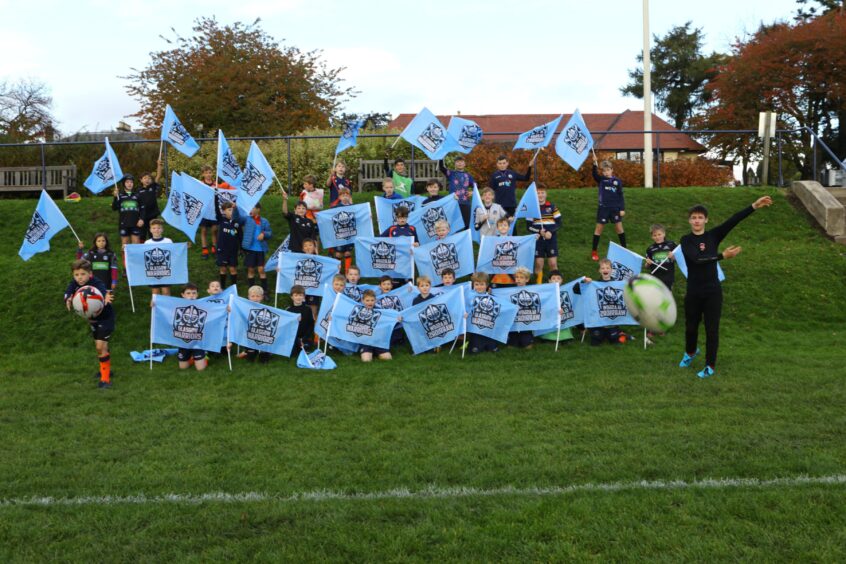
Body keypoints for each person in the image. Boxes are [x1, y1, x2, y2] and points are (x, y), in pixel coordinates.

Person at [675, 196, 773, 378]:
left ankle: (709, 366)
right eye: (693, 217)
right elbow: (697, 260)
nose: (697, 220)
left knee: (712, 329)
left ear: (706, 220)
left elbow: (733, 220)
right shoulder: (685, 240)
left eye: (700, 217)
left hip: (712, 291)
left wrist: (754, 206)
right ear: (689, 220)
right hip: (694, 291)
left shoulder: (713, 236)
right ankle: (690, 352)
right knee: (691, 327)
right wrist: (722, 257)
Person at [64, 259, 115, 389]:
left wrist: (106, 296)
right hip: (93, 320)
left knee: (99, 347)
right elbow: (68, 292)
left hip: (106, 318)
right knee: (101, 347)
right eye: (76, 275)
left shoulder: (96, 283)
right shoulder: (74, 284)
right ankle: (106, 369)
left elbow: (103, 291)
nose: (80, 278)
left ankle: (105, 380)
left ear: (89, 274)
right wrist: (68, 298)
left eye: (83, 274)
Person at [581, 259, 626, 346]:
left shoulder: (618, 284)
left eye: (607, 268)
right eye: (603, 268)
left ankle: (622, 334)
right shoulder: (594, 284)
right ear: (599, 270)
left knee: (615, 342)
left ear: (611, 270)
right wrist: (584, 282)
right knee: (595, 343)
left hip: (612, 321)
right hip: (598, 321)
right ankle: (603, 333)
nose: (605, 270)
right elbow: (577, 289)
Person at [591, 159, 626, 261]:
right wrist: (594, 165)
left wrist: (622, 208)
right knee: (598, 229)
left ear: (612, 170)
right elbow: (594, 175)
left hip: (615, 209)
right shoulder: (601, 179)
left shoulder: (617, 181)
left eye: (608, 170)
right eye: (604, 171)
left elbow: (620, 196)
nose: (606, 172)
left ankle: (625, 250)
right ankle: (594, 251)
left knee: (619, 228)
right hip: (603, 209)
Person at [527, 185, 561, 284]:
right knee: (538, 264)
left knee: (553, 263)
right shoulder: (532, 209)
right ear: (535, 195)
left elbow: (559, 223)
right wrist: (538, 231)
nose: (540, 195)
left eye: (542, 193)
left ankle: (554, 286)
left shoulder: (552, 207)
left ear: (546, 194)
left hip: (551, 239)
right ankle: (539, 286)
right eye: (538, 193)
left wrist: (550, 232)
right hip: (538, 240)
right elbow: (528, 226)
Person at [233, 286, 272, 363]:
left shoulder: (266, 309)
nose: (255, 298)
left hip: (262, 336)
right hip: (249, 336)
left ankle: (267, 351)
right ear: (248, 297)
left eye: (258, 296)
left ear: (262, 297)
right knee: (250, 359)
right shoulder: (244, 308)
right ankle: (247, 351)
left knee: (263, 361)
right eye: (253, 296)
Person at [241, 203, 272, 296]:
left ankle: (265, 291)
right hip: (250, 249)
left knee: (261, 270)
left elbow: (270, 233)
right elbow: (237, 218)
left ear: (258, 209)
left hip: (260, 250)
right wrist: (235, 208)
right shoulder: (247, 219)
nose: (250, 210)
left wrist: (264, 234)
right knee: (250, 270)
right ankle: (251, 292)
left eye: (252, 208)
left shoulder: (264, 221)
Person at [175, 283, 208, 371]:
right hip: (183, 342)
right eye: (188, 293)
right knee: (183, 368)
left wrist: (225, 309)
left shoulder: (203, 305)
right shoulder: (176, 306)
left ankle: (204, 356)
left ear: (197, 294)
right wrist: (155, 304)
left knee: (200, 369)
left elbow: (215, 312)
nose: (191, 295)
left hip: (198, 342)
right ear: (183, 295)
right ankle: (191, 358)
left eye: (194, 293)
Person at [467, 271, 500, 354]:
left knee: (493, 349)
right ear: (473, 285)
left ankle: (491, 344)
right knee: (474, 351)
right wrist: (466, 313)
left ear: (486, 285)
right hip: (476, 330)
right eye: (477, 284)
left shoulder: (492, 297)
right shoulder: (470, 297)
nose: (479, 287)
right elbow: (467, 308)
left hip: (489, 330)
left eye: (482, 284)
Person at [358, 289, 395, 362]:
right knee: (366, 360)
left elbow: (392, 317)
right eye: (367, 300)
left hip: (379, 342)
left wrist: (397, 318)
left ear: (375, 301)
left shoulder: (381, 311)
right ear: (363, 301)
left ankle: (377, 351)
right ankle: (368, 352)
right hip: (366, 342)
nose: (370, 302)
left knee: (388, 359)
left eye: (372, 300)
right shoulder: (358, 311)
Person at [439, 155, 475, 229]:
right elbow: (441, 168)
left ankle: (466, 240)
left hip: (465, 203)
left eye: (461, 162)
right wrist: (441, 155)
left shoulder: (468, 175)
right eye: (457, 162)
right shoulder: (451, 174)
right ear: (455, 164)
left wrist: (472, 192)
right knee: (452, 226)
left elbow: (476, 187)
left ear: (464, 164)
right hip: (453, 203)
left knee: (467, 225)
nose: (460, 163)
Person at [112, 174, 145, 246]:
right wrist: (115, 197)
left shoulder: (137, 195)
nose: (129, 184)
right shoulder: (119, 195)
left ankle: (136, 258)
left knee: (136, 245)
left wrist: (141, 219)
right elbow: (114, 208)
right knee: (125, 246)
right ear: (124, 184)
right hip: (124, 223)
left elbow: (142, 209)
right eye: (127, 182)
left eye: (131, 182)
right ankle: (125, 258)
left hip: (135, 223)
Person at [215, 201, 243, 288]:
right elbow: (216, 209)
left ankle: (233, 289)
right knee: (223, 269)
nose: (231, 212)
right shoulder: (221, 220)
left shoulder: (237, 223)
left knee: (232, 269)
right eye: (229, 210)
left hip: (233, 250)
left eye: (232, 210)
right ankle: (222, 288)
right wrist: (215, 196)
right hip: (222, 249)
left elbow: (240, 236)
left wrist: (241, 248)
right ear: (224, 211)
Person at [507, 267, 535, 349]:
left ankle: (528, 338)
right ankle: (512, 338)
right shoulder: (509, 291)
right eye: (517, 277)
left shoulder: (533, 290)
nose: (518, 279)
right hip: (514, 322)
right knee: (511, 347)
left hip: (526, 320)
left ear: (527, 279)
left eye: (521, 277)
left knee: (527, 346)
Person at [144, 219, 173, 298]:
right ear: (150, 230)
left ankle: (167, 310)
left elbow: (174, 253)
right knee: (155, 293)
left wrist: (184, 247)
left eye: (159, 228)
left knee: (166, 292)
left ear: (162, 229)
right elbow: (143, 256)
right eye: (154, 228)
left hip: (165, 270)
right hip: (153, 271)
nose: (156, 230)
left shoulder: (168, 241)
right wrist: (127, 248)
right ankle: (155, 310)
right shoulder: (147, 243)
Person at [644, 224, 676, 291]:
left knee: (667, 295)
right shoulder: (650, 249)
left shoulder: (671, 245)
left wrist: (673, 256)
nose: (657, 237)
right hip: (655, 276)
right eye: (654, 235)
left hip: (668, 275)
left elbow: (678, 259)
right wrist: (648, 263)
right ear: (652, 237)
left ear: (664, 234)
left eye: (659, 234)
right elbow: (646, 266)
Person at [137, 159, 164, 240]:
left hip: (153, 215)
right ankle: (142, 250)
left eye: (149, 178)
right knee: (142, 235)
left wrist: (159, 165)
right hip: (142, 216)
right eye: (145, 178)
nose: (147, 180)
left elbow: (158, 175)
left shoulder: (153, 187)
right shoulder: (138, 191)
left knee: (153, 234)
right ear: (141, 180)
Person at [331, 187, 355, 273]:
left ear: (350, 196)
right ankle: (337, 272)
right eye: (342, 194)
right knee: (338, 254)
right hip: (339, 235)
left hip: (350, 234)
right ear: (339, 197)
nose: (345, 196)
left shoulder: (354, 207)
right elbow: (330, 218)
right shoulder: (336, 208)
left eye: (347, 194)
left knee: (348, 253)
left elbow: (359, 218)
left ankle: (347, 273)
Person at [287, 285, 315, 357]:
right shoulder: (288, 310)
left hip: (305, 337)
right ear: (291, 297)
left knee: (305, 349)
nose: (298, 297)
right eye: (296, 295)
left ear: (304, 297)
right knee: (292, 354)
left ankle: (304, 345)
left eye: (300, 295)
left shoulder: (308, 309)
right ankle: (297, 345)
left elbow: (311, 325)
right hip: (294, 337)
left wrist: (305, 338)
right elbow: (287, 327)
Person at [197, 165, 217, 259]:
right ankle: (204, 249)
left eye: (210, 172)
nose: (208, 174)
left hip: (214, 211)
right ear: (203, 174)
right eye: (206, 173)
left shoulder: (216, 184)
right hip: (204, 212)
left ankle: (214, 246)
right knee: (204, 230)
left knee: (214, 230)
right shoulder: (200, 184)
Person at [490, 217, 515, 289]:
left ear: (509, 227)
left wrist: (534, 238)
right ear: (497, 228)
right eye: (500, 225)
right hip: (496, 274)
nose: (503, 227)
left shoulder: (515, 240)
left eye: (505, 225)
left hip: (510, 273)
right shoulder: (492, 240)